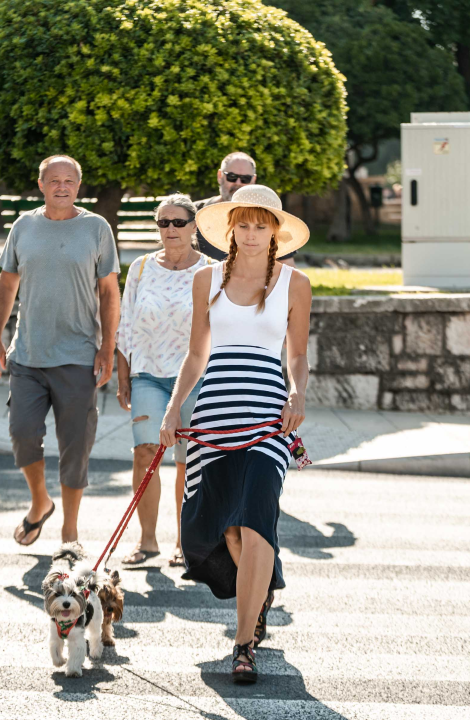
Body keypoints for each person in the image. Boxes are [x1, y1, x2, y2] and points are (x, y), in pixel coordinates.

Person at [160, 184, 311, 684]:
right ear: (231, 230)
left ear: (275, 232)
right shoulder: (206, 280)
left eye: (260, 225)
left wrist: (297, 393)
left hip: (268, 415)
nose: (251, 234)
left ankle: (243, 643)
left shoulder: (295, 284)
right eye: (243, 225)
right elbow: (196, 354)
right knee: (226, 525)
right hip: (214, 415)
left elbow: (296, 355)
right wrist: (173, 409)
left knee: (255, 518)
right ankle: (260, 591)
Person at [0, 156, 120, 547]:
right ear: (41, 184)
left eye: (69, 180)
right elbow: (6, 284)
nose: (62, 186)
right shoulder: (24, 226)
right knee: (22, 433)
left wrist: (107, 348)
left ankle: (69, 531)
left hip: (78, 355)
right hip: (27, 354)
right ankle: (40, 501)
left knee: (75, 447)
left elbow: (110, 292)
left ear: (79, 185)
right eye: (54, 180)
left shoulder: (96, 228)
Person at [115, 194, 213, 567]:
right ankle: (147, 540)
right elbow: (125, 324)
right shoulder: (140, 268)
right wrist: (123, 376)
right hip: (147, 376)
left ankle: (184, 543)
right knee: (145, 454)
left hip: (195, 379)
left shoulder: (209, 270)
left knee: (188, 461)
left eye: (178, 222)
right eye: (162, 222)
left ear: (193, 226)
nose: (169, 229)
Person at [194, 152, 297, 267]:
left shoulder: (269, 215)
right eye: (231, 176)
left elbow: (288, 270)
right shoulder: (192, 213)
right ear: (220, 176)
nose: (238, 183)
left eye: (245, 179)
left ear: (253, 180)